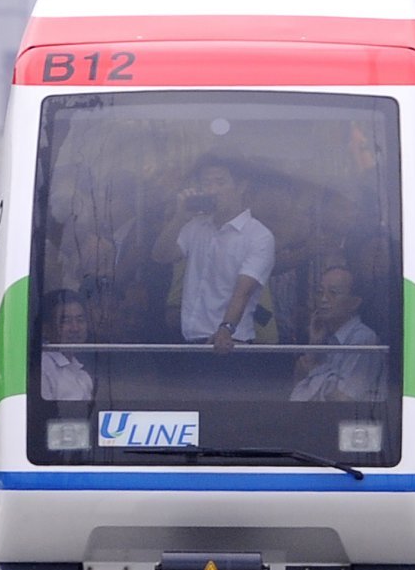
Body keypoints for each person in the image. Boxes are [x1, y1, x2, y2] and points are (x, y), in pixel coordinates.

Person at [151, 155, 275, 352]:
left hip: (230, 343)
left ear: (241, 186)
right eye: (206, 183)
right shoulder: (195, 226)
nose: (212, 190)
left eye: (220, 182)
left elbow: (242, 292)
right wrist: (179, 217)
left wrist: (226, 329)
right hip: (190, 340)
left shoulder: (258, 236)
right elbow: (161, 256)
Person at [290, 266, 385, 402]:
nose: (323, 299)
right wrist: (313, 344)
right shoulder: (324, 334)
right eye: (320, 291)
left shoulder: (364, 339)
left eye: (333, 293)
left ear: (354, 302)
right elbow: (298, 387)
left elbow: (344, 399)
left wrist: (315, 370)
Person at [40, 290, 93, 401]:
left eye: (80, 320)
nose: (75, 328)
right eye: (66, 321)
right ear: (46, 329)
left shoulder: (82, 374)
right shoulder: (43, 367)